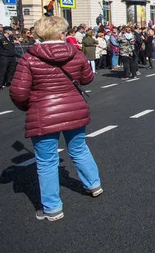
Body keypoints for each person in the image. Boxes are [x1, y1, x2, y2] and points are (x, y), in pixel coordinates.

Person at [9, 16, 102, 222]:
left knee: (46, 161)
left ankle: (52, 208)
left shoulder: (29, 58)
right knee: (79, 149)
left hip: (43, 113)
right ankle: (93, 184)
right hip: (73, 109)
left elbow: (18, 92)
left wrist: (29, 106)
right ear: (61, 34)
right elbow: (87, 78)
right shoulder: (75, 54)